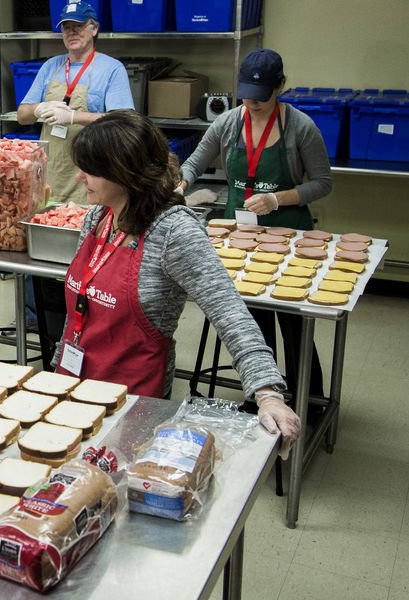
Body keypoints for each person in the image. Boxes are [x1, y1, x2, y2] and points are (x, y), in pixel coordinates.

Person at [54, 110, 300, 456]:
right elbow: (79, 306)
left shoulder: (173, 231)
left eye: (91, 169)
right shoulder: (98, 216)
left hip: (132, 400)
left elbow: (229, 312)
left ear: (124, 172)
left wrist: (267, 393)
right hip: (73, 386)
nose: (80, 177)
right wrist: (56, 373)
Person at [177, 49, 333, 401]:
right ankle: (263, 393)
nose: (252, 103)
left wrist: (277, 199)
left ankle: (310, 397)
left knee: (293, 321)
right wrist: (181, 183)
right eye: (246, 94)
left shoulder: (301, 128)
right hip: (241, 233)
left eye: (260, 97)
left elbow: (323, 182)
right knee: (251, 320)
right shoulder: (230, 122)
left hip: (289, 235)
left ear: (280, 87)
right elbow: (195, 162)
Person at [16, 0, 134, 206]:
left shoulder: (111, 69)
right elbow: (22, 115)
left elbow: (124, 122)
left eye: (79, 26)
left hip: (93, 174)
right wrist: (39, 109)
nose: (72, 32)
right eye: (66, 27)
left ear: (94, 28)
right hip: (51, 174)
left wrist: (73, 117)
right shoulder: (50, 66)